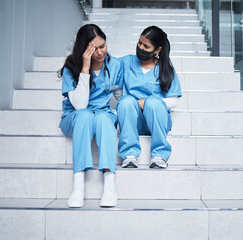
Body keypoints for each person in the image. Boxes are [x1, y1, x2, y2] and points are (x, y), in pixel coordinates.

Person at [58, 24, 122, 208]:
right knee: (85, 115)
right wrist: (85, 68)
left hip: (102, 113)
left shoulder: (115, 65)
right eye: (94, 49)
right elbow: (79, 106)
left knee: (103, 118)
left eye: (103, 46)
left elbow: (120, 97)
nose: (101, 52)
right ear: (83, 49)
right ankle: (78, 186)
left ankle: (109, 186)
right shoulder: (72, 67)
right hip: (76, 116)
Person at [117, 25, 182, 169]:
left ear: (157, 50)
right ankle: (129, 155)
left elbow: (173, 101)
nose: (140, 47)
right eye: (139, 43)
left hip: (157, 120)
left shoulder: (166, 70)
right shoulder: (126, 62)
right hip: (134, 122)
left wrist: (146, 102)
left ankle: (159, 155)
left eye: (146, 46)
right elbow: (106, 71)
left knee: (153, 102)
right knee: (127, 101)